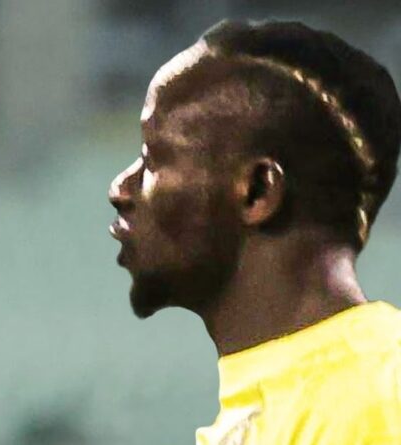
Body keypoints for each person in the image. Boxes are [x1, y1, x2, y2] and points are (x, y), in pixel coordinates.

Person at [108, 20, 401, 444]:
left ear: (258, 191)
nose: (119, 188)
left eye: (153, 158)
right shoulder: (275, 406)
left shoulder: (374, 395)